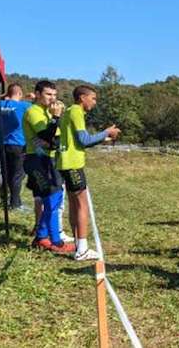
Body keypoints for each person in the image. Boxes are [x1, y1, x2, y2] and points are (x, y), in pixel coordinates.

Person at [57, 85, 121, 261]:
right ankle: (82, 249)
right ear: (82, 97)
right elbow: (84, 140)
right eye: (93, 98)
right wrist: (106, 132)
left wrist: (104, 138)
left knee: (73, 203)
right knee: (82, 205)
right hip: (73, 164)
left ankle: (79, 245)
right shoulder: (76, 111)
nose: (95, 102)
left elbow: (78, 141)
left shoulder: (69, 111)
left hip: (65, 162)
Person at [23, 80, 75, 254]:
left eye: (54, 95)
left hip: (51, 161)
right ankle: (56, 241)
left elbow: (54, 139)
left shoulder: (48, 112)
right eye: (48, 94)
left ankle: (41, 237)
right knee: (51, 200)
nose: (52, 98)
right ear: (37, 94)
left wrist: (51, 134)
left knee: (56, 198)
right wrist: (55, 120)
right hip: (37, 161)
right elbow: (45, 134)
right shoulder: (33, 111)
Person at [0, 83, 33, 211]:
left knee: (6, 173)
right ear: (20, 94)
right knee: (18, 174)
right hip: (18, 143)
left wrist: (4, 94)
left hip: (2, 144)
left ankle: (6, 200)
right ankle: (15, 204)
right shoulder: (24, 105)